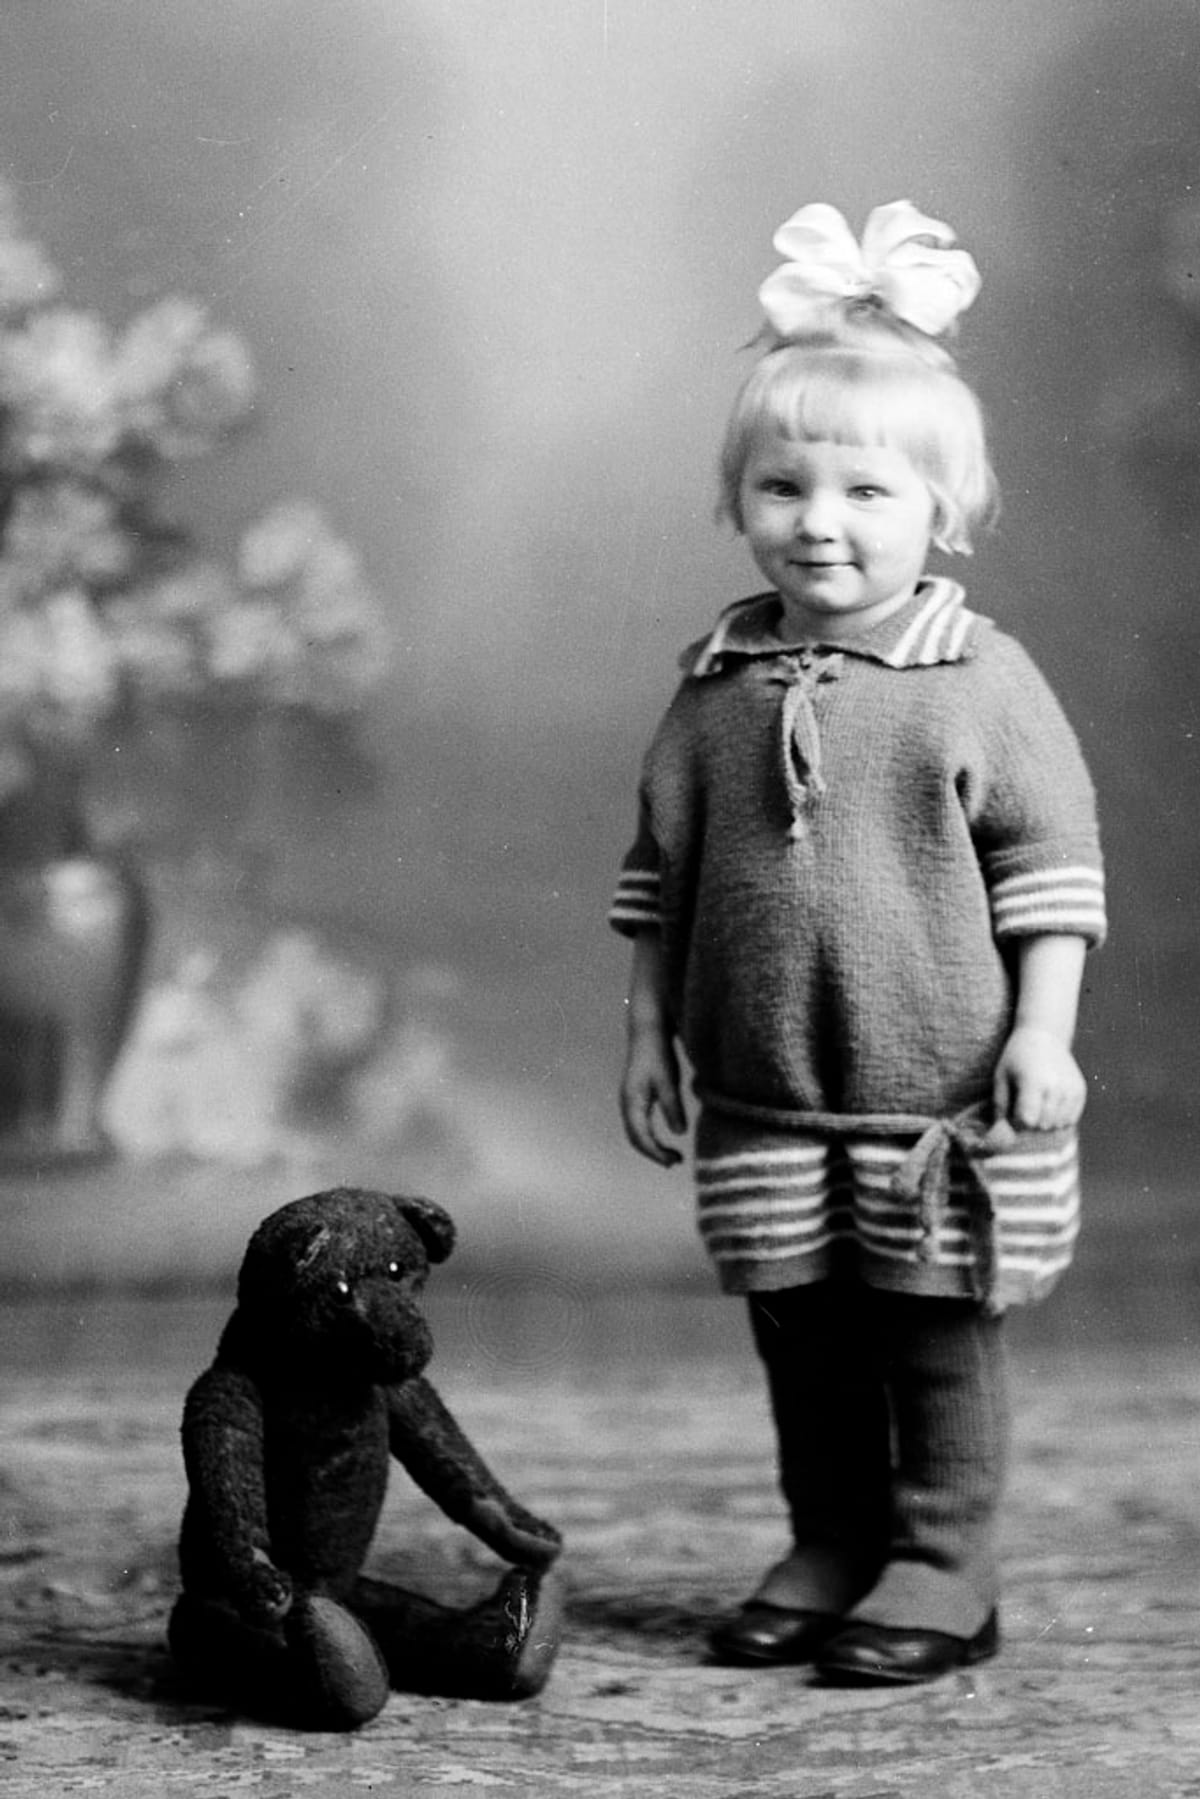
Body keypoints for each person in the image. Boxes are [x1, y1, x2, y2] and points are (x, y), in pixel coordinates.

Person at [609, 201, 1105, 1686]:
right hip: (762, 1093)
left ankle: (946, 1562)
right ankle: (831, 1538)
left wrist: (1042, 1032)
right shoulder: (715, 682)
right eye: (784, 486)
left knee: (932, 1335)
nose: (820, 522)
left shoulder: (978, 679)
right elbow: (660, 876)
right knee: (802, 1336)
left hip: (934, 1101)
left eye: (866, 492)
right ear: (739, 501)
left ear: (940, 511)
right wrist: (647, 1035)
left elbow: (1052, 870)